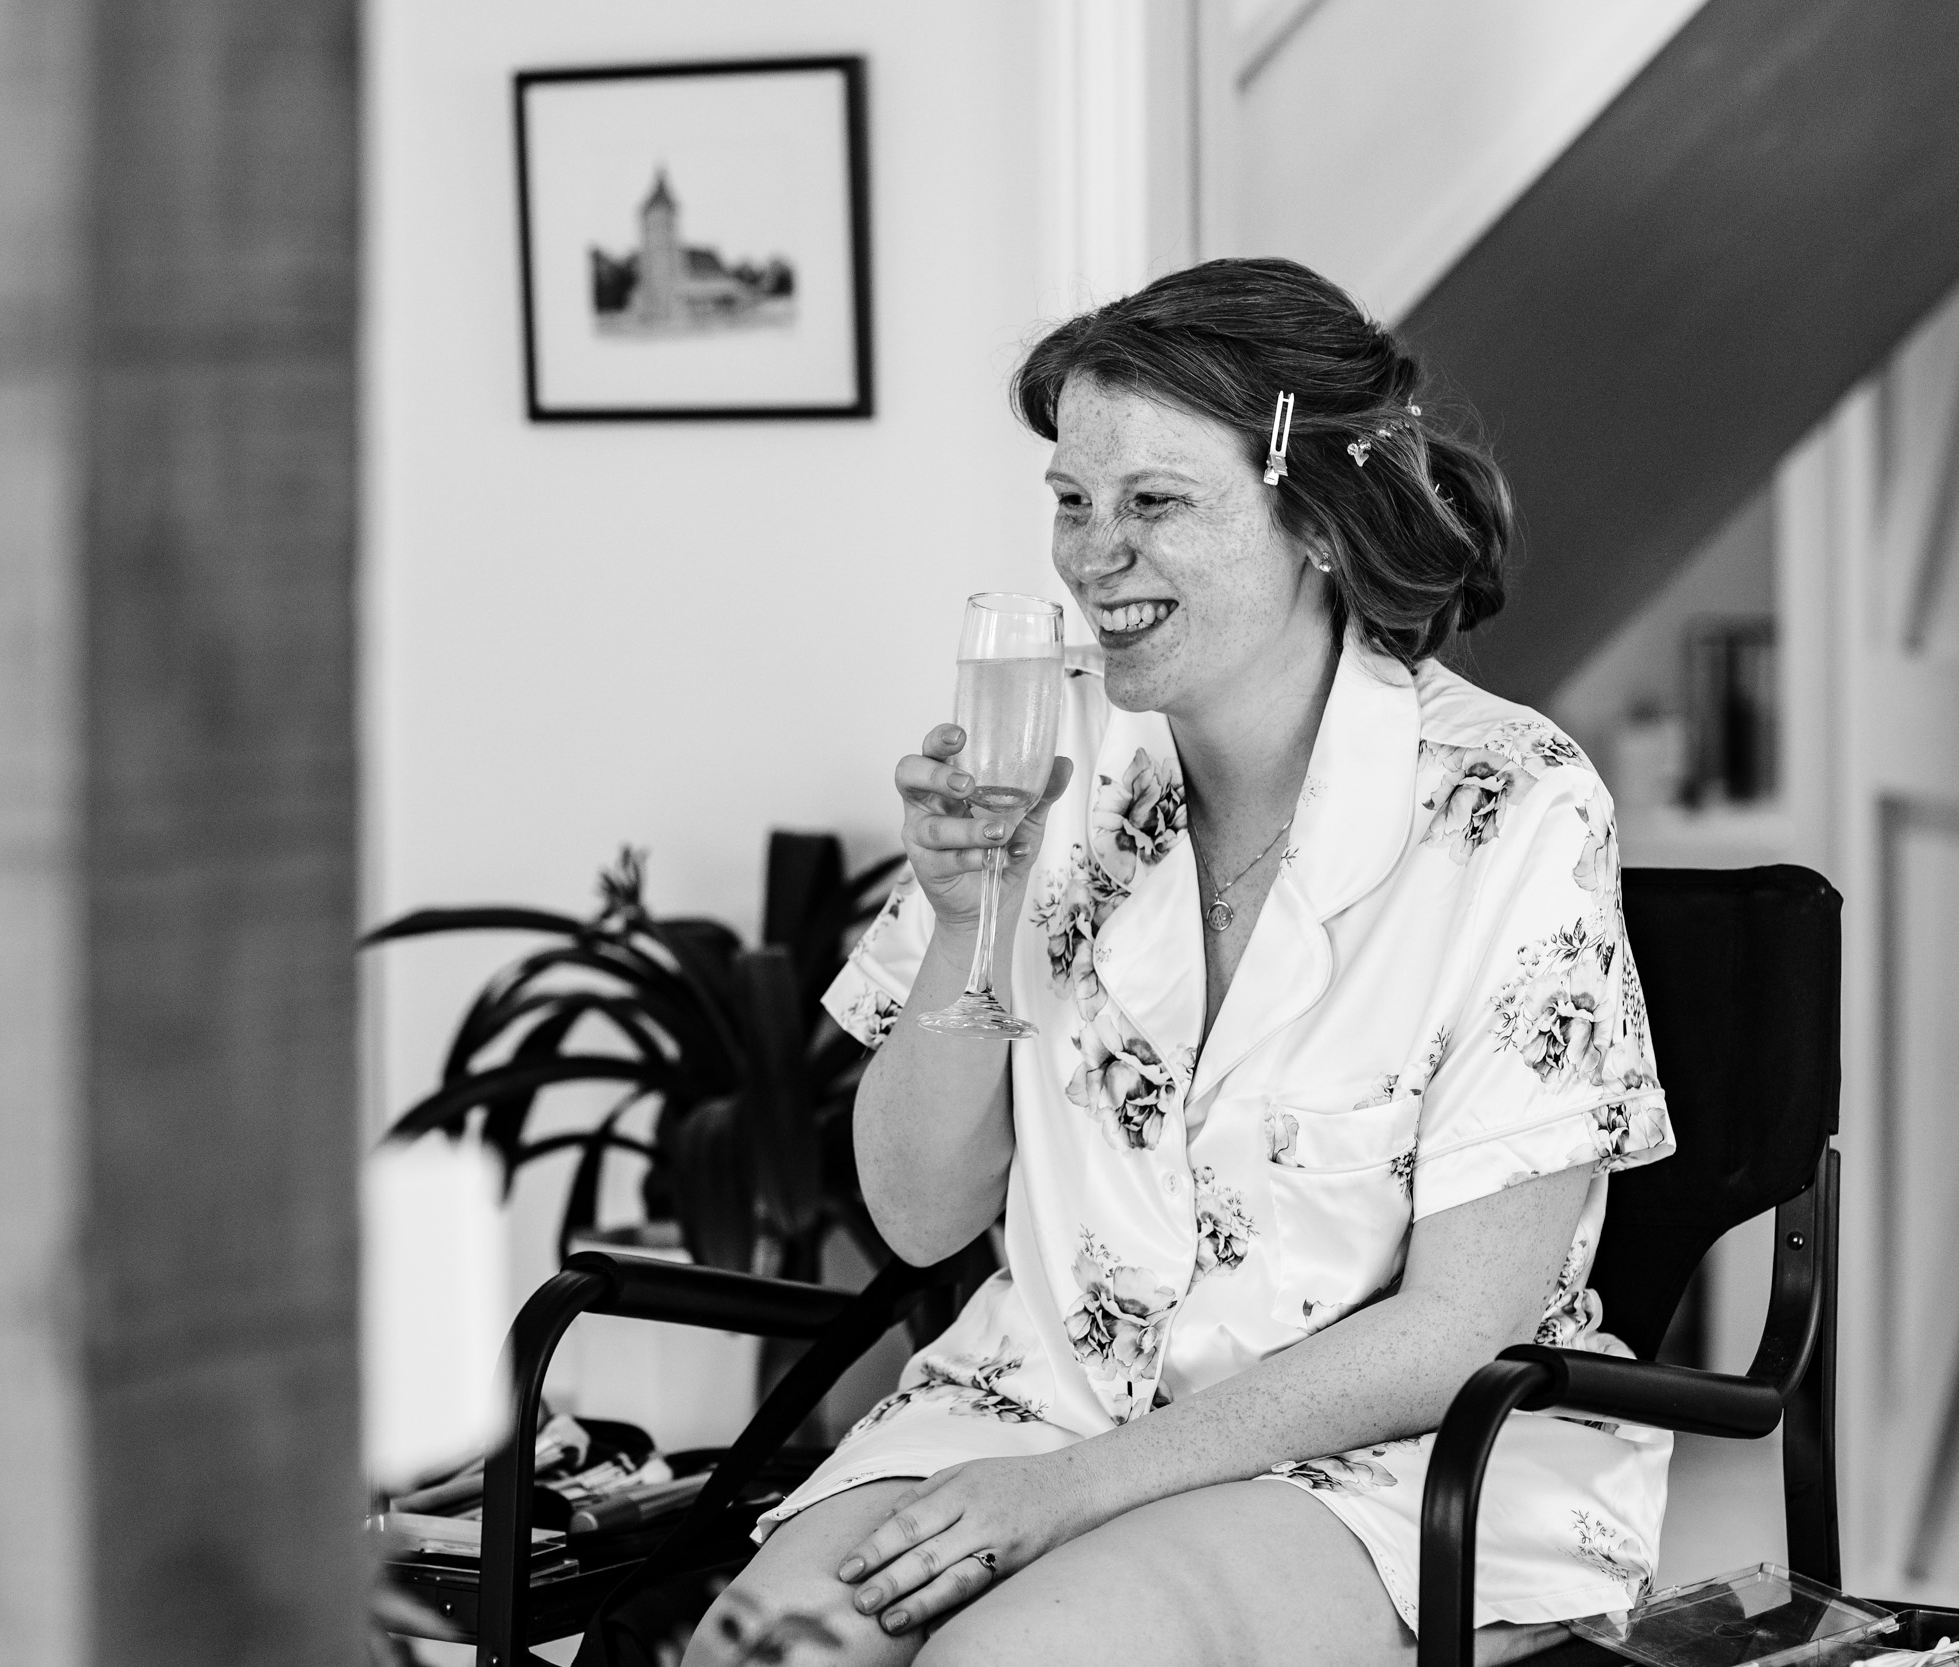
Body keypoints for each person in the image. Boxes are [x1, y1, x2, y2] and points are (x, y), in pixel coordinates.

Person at [684, 258, 1673, 1667]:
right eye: (1072, 502)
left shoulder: (1516, 803)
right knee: (758, 1656)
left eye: (1154, 502)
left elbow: (1457, 1328)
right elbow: (916, 1219)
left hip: (1394, 1454)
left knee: (1011, 1663)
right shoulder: (1048, 760)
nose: (1094, 556)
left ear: (1314, 519)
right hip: (1040, 1405)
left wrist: (1073, 1495)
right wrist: (966, 922)